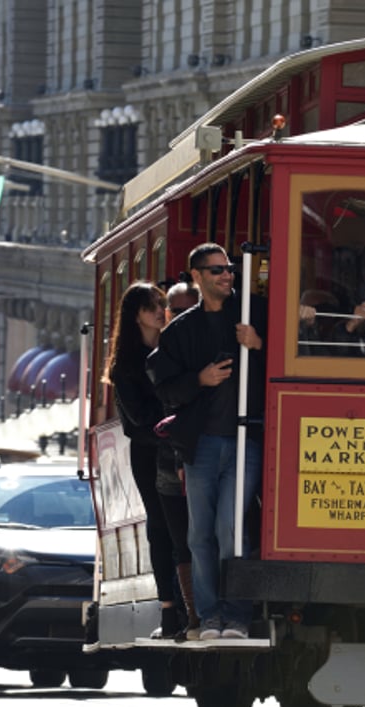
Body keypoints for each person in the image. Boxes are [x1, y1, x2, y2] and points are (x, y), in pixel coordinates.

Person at [147, 243, 268, 641]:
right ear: (196, 276)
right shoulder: (181, 330)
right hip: (201, 445)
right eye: (215, 270)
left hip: (246, 440)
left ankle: (236, 617)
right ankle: (209, 616)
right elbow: (162, 384)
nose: (225, 275)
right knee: (200, 534)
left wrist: (259, 345)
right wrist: (200, 380)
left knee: (232, 530)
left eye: (229, 268)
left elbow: (292, 362)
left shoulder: (255, 313)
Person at [104, 281, 184, 638]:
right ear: (136, 315)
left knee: (186, 527)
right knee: (161, 526)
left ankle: (188, 604)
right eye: (152, 306)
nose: (159, 311)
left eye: (162, 304)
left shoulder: (174, 349)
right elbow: (138, 420)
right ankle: (168, 607)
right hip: (150, 453)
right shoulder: (125, 366)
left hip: (181, 446)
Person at [156, 280, 201, 636]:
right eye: (179, 311)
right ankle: (192, 612)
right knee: (181, 540)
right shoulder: (162, 354)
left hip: (204, 455)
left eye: (192, 309)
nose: (185, 318)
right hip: (171, 463)